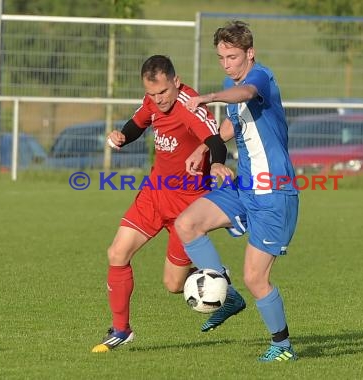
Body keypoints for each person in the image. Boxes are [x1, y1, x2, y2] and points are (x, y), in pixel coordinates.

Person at [91, 55, 242, 353]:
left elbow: (213, 141)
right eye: (152, 94)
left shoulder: (191, 106)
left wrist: (215, 165)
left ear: (176, 80)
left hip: (187, 208)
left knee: (174, 285)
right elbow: (137, 124)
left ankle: (220, 280)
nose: (158, 100)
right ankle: (121, 329)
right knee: (117, 252)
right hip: (155, 193)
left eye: (163, 92)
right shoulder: (151, 101)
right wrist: (123, 136)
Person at [175, 20, 300, 362]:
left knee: (256, 278)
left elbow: (245, 94)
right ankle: (226, 294)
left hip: (274, 193)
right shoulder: (233, 86)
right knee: (187, 224)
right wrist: (204, 149)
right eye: (221, 58)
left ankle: (283, 346)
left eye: (232, 56)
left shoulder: (260, 78)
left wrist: (211, 97)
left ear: (250, 53)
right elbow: (232, 123)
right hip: (244, 188)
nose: (226, 63)